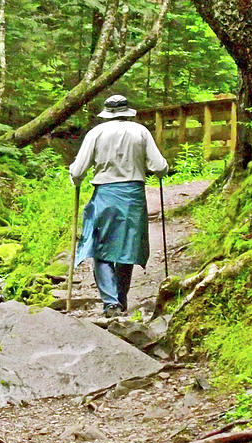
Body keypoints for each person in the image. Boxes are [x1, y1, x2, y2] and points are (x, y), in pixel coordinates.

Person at [69, 94, 168, 318]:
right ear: (127, 111)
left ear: (107, 113)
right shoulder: (141, 132)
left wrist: (75, 180)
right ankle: (120, 300)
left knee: (100, 248)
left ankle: (110, 302)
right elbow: (159, 167)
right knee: (128, 248)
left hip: (105, 195)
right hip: (133, 196)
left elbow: (77, 171)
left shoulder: (96, 133)